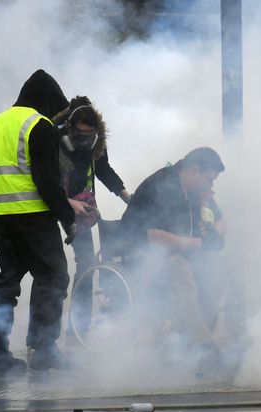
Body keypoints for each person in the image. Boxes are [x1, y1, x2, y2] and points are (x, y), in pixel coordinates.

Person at [0, 69, 76, 373]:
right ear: (45, 101)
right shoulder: (39, 125)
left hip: (4, 219)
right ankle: (43, 350)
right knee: (53, 276)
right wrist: (67, 220)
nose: (53, 115)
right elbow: (47, 181)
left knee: (5, 283)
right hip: (35, 219)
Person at [120, 147, 233, 370]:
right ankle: (204, 348)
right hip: (142, 254)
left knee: (218, 267)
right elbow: (152, 236)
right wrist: (197, 244)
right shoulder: (160, 186)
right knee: (180, 271)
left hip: (181, 252)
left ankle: (189, 337)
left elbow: (221, 220)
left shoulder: (194, 189)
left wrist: (214, 235)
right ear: (195, 171)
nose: (211, 184)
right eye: (209, 178)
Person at [51, 96, 131, 344]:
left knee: (85, 264)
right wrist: (67, 202)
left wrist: (126, 195)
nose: (86, 141)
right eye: (81, 136)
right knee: (50, 271)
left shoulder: (97, 145)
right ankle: (42, 339)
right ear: (69, 130)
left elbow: (103, 168)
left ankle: (77, 333)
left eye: (90, 136)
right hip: (51, 204)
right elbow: (45, 181)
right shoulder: (53, 140)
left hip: (81, 208)